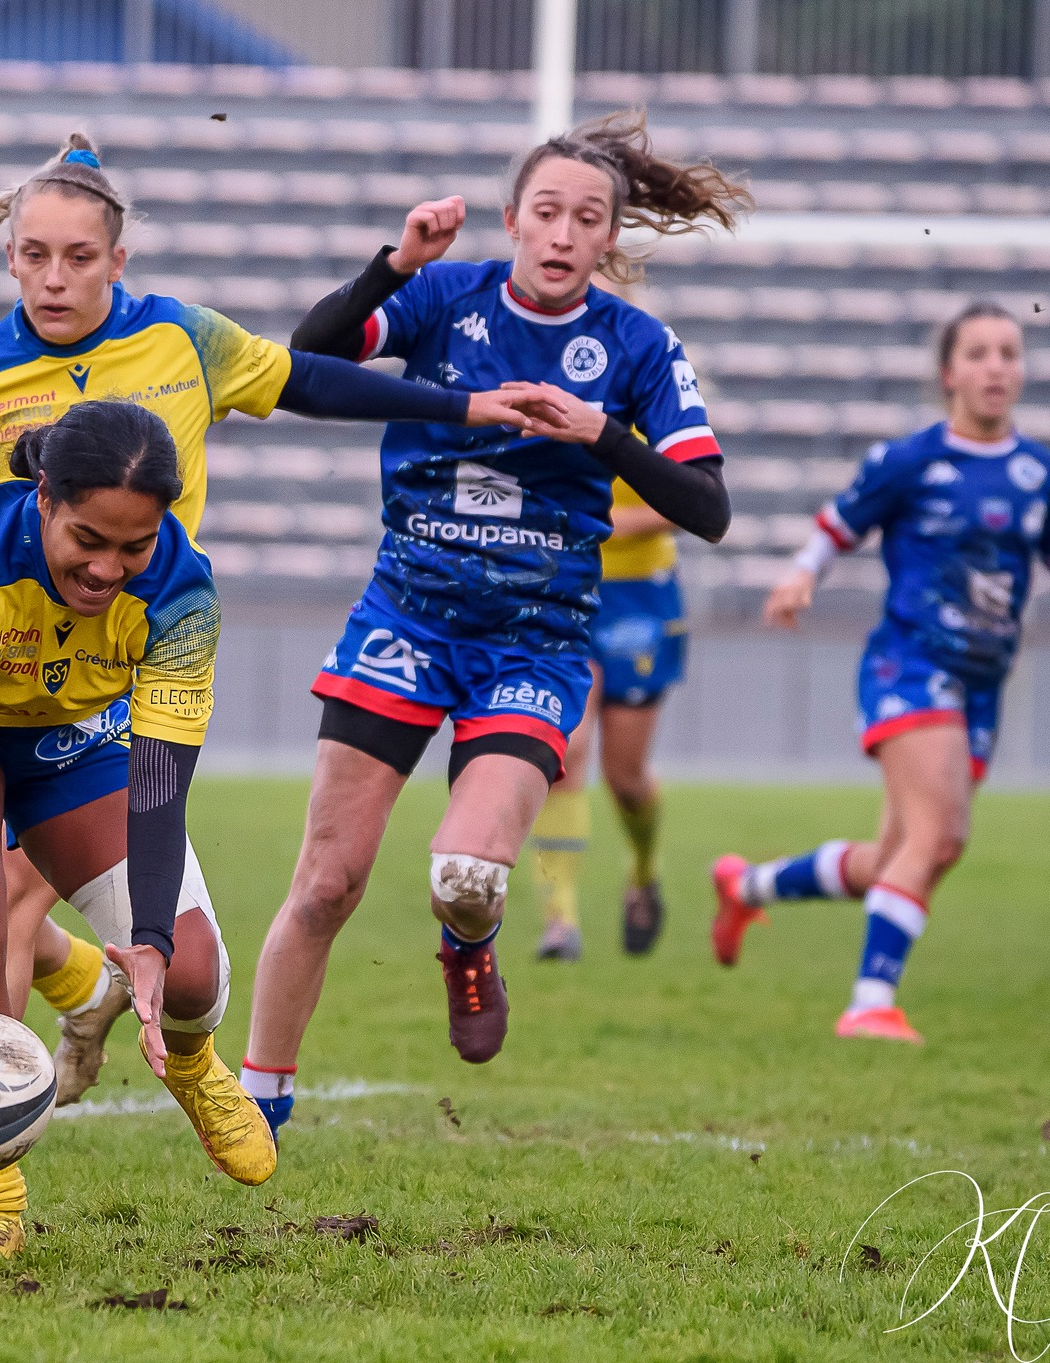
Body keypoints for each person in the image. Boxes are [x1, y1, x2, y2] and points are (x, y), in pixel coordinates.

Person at [0, 132, 536, 1181]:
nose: (54, 277)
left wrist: (463, 405)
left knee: (103, 935)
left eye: (77, 256)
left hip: (103, 680)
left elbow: (308, 380)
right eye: (33, 256)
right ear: (8, 257)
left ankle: (124, 1016)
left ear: (118, 260)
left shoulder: (182, 347)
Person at [239, 112, 741, 1139]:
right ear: (512, 220)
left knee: (465, 877)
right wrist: (393, 264)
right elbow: (304, 363)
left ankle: (468, 945)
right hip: (406, 618)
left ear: (609, 238)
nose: (563, 233)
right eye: (546, 211)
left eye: (587, 219)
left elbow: (708, 508)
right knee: (326, 883)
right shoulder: (441, 296)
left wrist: (602, 433)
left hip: (534, 641)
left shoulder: (638, 347)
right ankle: (257, 1107)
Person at [0, 402, 261, 1266]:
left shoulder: (183, 593)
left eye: (134, 546)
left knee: (190, 970)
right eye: (87, 539)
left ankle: (191, 1065)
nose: (107, 568)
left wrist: (148, 940)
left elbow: (158, 783)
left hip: (64, 728)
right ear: (43, 498)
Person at [710, 302, 1050, 1044]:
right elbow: (838, 523)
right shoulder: (911, 460)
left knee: (895, 856)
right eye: (978, 353)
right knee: (940, 838)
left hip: (983, 681)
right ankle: (869, 1004)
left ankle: (746, 885)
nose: (996, 367)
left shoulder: (1039, 471)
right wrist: (800, 574)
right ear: (949, 373)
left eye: (1009, 353)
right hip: (912, 665)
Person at [527, 477, 688, 961]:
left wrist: (600, 522)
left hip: (640, 597)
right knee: (565, 751)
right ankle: (559, 921)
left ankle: (643, 871)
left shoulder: (657, 427)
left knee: (626, 779)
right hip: (561, 585)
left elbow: (692, 502)